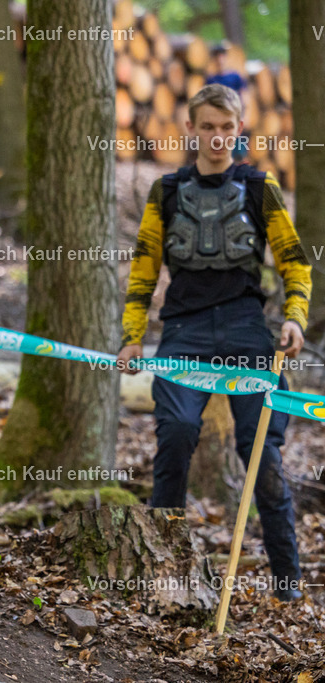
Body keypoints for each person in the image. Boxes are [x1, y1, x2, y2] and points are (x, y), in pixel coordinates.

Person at [117, 84, 311, 601]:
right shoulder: (165, 190)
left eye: (227, 128)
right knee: (177, 434)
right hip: (183, 329)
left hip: (249, 330)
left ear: (239, 129)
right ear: (190, 129)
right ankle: (165, 573)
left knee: (260, 453)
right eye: (208, 127)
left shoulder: (259, 187)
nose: (218, 137)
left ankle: (288, 582)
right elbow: (142, 272)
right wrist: (132, 338)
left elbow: (295, 263)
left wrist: (294, 320)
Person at [205, 44, 247, 161]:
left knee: (239, 151)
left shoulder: (235, 77)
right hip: (219, 119)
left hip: (234, 116)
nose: (220, 60)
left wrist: (244, 114)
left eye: (222, 57)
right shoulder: (211, 79)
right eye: (217, 58)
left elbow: (244, 95)